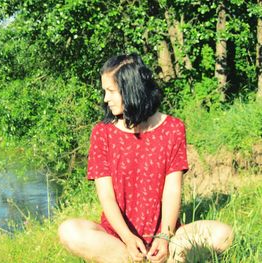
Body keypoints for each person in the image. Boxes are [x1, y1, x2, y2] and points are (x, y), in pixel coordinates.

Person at [58, 53, 233, 263]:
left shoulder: (173, 129)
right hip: (118, 237)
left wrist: (165, 236)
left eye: (111, 91)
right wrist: (127, 238)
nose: (105, 98)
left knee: (224, 234)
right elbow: (106, 196)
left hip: (167, 237)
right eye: (105, 91)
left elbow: (172, 189)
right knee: (69, 230)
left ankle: (168, 256)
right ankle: (132, 259)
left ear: (130, 89)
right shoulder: (102, 133)